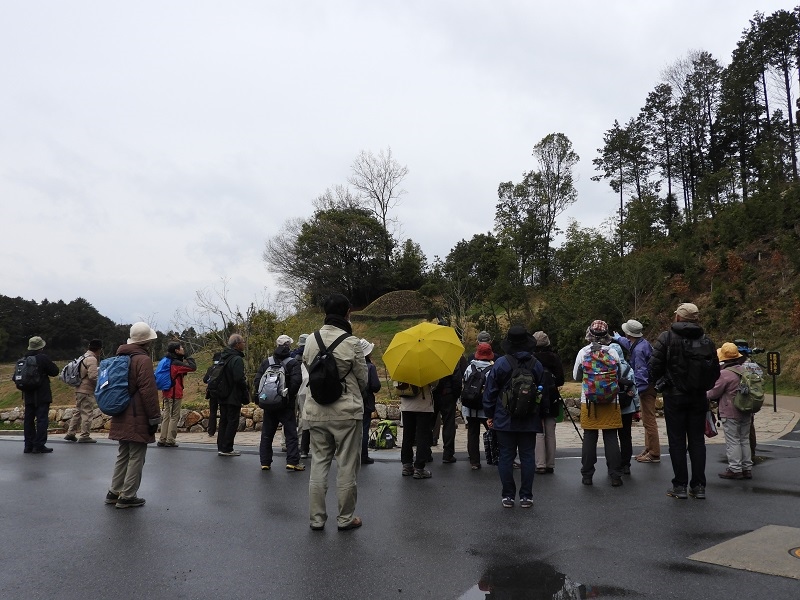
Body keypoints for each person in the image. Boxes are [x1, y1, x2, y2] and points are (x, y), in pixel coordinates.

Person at [302, 293, 368, 531]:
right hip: (346, 412)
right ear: (348, 313)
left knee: (319, 463)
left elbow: (308, 367)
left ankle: (316, 519)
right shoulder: (352, 342)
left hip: (316, 409)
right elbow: (362, 379)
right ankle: (345, 518)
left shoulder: (311, 340)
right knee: (347, 465)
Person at [649, 302, 719, 500]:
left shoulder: (667, 338)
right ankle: (699, 486)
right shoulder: (706, 340)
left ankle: (680, 485)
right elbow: (715, 371)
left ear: (678, 317)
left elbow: (654, 366)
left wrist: (663, 382)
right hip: (698, 397)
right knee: (697, 441)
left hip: (674, 396)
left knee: (677, 441)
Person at [484, 325, 547, 508]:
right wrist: (541, 414)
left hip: (505, 418)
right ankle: (526, 496)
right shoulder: (536, 364)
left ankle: (508, 496)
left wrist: (490, 414)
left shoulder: (501, 363)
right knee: (527, 456)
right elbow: (543, 393)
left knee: (506, 456)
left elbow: (490, 392)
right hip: (530, 418)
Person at [106, 322, 162, 508]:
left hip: (120, 410)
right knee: (137, 455)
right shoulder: (142, 360)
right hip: (137, 414)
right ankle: (128, 495)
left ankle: (114, 491)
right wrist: (154, 418)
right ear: (147, 341)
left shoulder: (120, 357)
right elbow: (148, 391)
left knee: (123, 453)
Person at [573, 321, 624, 487]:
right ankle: (615, 475)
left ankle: (587, 475)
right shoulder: (613, 352)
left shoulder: (583, 352)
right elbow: (619, 374)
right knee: (611, 437)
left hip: (589, 402)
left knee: (590, 437)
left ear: (589, 334)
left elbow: (576, 376)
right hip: (611, 400)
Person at [255, 336, 304, 471]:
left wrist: (263, 398)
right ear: (289, 346)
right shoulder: (293, 363)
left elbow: (258, 380)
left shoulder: (267, 362)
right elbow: (296, 382)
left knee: (267, 434)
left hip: (269, 404)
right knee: (291, 433)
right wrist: (287, 397)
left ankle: (265, 462)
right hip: (285, 405)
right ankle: (292, 461)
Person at [614, 319, 659, 464]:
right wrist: (617, 338)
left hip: (646, 387)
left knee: (649, 421)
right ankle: (649, 448)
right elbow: (628, 343)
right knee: (646, 420)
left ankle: (654, 453)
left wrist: (637, 390)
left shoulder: (639, 351)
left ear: (628, 334)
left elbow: (641, 373)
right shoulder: (641, 343)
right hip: (650, 385)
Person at [708, 342, 753, 480]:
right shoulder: (745, 370)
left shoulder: (725, 374)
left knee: (733, 440)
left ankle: (735, 468)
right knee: (744, 439)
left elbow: (713, 393)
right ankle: (747, 468)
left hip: (730, 411)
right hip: (746, 409)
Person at [532, 331, 564, 475]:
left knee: (538, 430)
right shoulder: (554, 358)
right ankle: (550, 464)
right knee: (550, 431)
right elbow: (560, 380)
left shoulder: (532, 359)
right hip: (552, 396)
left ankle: (540, 464)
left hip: (536, 397)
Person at [21, 336, 59, 454]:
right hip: (42, 394)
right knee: (42, 420)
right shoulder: (43, 358)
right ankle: (39, 445)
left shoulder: (24, 358)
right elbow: (55, 371)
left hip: (28, 394)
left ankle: (28, 445)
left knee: (28, 420)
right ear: (40, 347)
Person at [157, 341, 197, 448]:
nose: (183, 348)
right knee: (174, 416)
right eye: (181, 348)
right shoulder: (176, 363)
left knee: (166, 415)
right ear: (176, 351)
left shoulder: (166, 360)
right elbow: (193, 367)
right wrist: (187, 356)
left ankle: (162, 439)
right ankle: (170, 440)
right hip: (175, 392)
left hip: (166, 391)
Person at [216, 334, 250, 457]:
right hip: (233, 395)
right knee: (232, 421)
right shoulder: (237, 359)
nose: (244, 344)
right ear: (237, 344)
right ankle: (227, 448)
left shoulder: (223, 357)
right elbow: (238, 378)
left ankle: (221, 446)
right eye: (243, 342)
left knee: (223, 421)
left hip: (222, 394)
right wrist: (245, 389)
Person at [461, 342, 494, 469]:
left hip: (470, 406)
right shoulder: (492, 369)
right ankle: (497, 456)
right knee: (493, 432)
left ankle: (474, 461)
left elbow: (464, 382)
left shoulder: (470, 368)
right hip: (486, 407)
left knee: (473, 433)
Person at [64, 338, 102, 444]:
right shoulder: (92, 359)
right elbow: (93, 376)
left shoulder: (83, 356)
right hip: (86, 390)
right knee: (87, 412)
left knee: (78, 411)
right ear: (99, 349)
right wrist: (100, 384)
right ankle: (85, 435)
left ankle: (71, 433)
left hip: (78, 388)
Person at [609, 341, 639, 475]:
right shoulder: (628, 369)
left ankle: (613, 464)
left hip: (612, 406)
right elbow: (635, 390)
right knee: (626, 437)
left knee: (611, 437)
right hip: (627, 407)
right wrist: (637, 408)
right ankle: (626, 464)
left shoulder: (608, 368)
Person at [431, 355, 467, 463]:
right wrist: (456, 394)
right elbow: (457, 378)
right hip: (447, 394)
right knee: (449, 424)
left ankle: (425, 452)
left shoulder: (431, 356)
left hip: (432, 394)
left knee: (428, 423)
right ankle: (448, 453)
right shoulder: (452, 357)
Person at [398, 380, 436, 478]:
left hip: (406, 405)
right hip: (423, 405)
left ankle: (406, 465)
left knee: (407, 435)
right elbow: (435, 383)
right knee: (422, 436)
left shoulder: (402, 370)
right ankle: (419, 468)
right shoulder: (425, 370)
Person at [359, 338, 381, 465]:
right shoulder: (370, 367)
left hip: (354, 400)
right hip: (366, 401)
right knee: (364, 429)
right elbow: (376, 386)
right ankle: (363, 455)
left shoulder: (354, 365)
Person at [203, 351, 222, 436]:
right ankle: (222, 429)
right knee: (223, 411)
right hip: (222, 392)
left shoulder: (211, 368)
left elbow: (205, 380)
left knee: (213, 412)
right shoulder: (223, 368)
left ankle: (211, 431)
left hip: (212, 392)